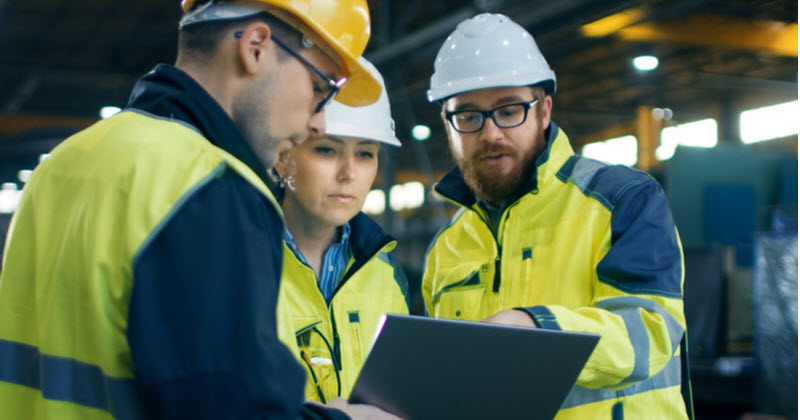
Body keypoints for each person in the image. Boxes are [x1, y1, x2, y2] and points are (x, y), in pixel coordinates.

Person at [0, 1, 400, 419]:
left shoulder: (63, 164)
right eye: (320, 88)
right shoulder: (210, 187)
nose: (317, 121)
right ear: (257, 47)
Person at [421, 13, 693, 420]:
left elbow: (650, 334)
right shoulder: (446, 248)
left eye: (509, 110)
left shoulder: (623, 200)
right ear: (448, 125)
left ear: (544, 111)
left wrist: (538, 328)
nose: (491, 133)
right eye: (468, 115)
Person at [275, 58, 410, 404]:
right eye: (327, 150)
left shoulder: (387, 275)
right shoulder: (239, 263)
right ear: (282, 157)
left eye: (365, 154)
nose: (349, 173)